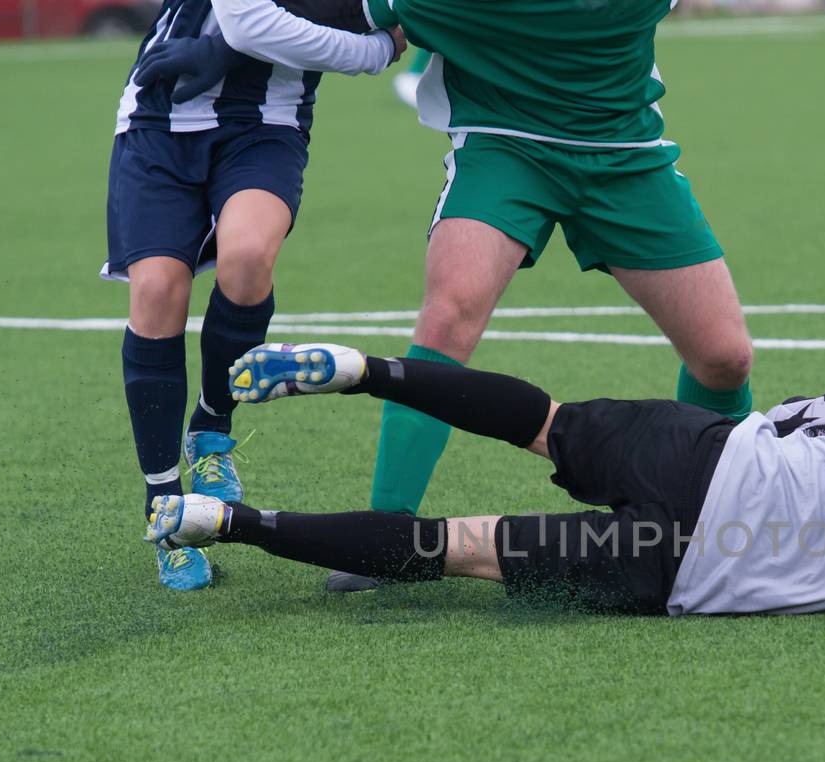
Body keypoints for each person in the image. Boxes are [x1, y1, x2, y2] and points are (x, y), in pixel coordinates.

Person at [266, 0, 758, 593]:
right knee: (449, 315)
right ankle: (387, 536)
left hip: (624, 155)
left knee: (724, 357)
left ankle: (725, 504)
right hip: (505, 146)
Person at [146, 344, 825, 615]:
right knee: (454, 548)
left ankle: (367, 372)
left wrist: (733, 444)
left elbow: (813, 414)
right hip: (698, 576)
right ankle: (230, 522)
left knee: (545, 423)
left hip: (717, 460)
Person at [104, 0, 403, 588]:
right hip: (164, 116)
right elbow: (250, 22)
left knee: (247, 256)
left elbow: (402, 24)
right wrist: (374, 53)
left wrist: (385, 47)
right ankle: (164, 506)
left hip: (269, 119)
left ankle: (212, 426)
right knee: (159, 290)